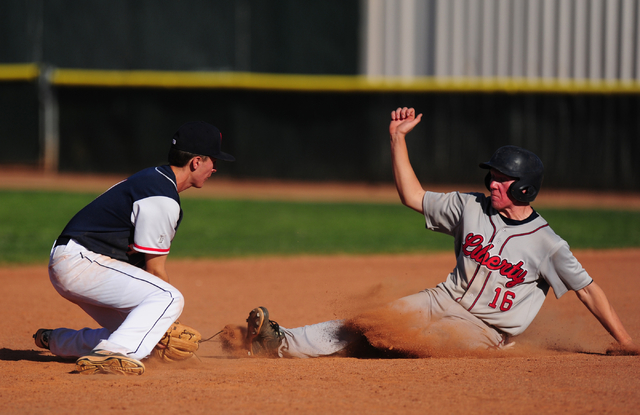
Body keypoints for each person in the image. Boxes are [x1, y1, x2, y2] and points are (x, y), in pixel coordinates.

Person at [243, 107, 638, 358]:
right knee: (370, 324)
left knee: (409, 343)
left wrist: (622, 340)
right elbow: (412, 196)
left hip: (484, 330)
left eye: (503, 180)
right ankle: (281, 341)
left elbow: (588, 289)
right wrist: (397, 140)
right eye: (492, 177)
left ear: (524, 189)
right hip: (439, 299)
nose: (492, 184)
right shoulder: (470, 206)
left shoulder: (548, 244)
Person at [33, 121, 235, 375]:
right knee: (168, 298)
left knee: (149, 338)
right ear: (196, 162)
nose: (215, 168)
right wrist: (172, 324)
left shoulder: (153, 179)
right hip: (81, 262)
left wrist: (163, 330)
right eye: (213, 161)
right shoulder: (161, 196)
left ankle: (57, 341)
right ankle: (113, 353)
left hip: (80, 262)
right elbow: (155, 270)